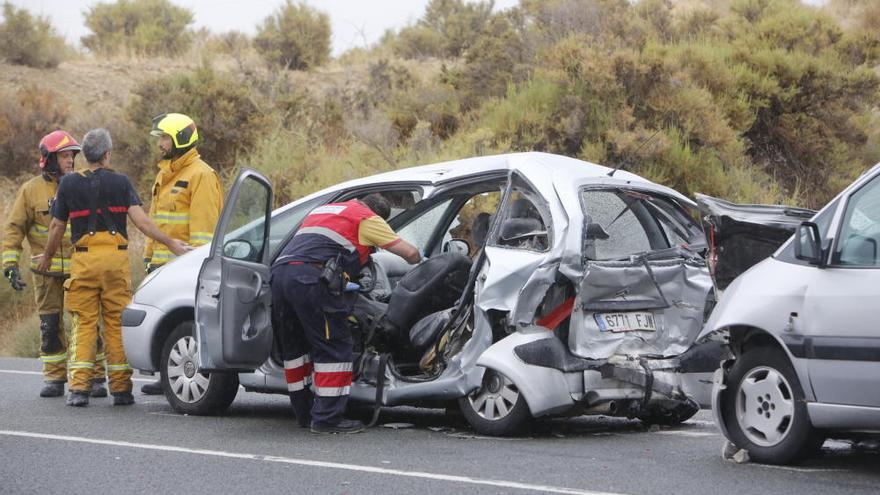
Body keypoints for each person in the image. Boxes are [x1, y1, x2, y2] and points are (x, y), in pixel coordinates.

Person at [38, 128, 190, 407]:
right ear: (107, 154)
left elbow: (58, 226)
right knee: (115, 324)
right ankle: (121, 390)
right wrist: (171, 243)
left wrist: (47, 257)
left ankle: (79, 390)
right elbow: (142, 222)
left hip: (84, 261)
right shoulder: (121, 183)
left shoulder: (69, 184)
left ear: (85, 155)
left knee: (84, 323)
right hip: (115, 261)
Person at [271, 193, 420, 433]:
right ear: (378, 214)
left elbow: (319, 248)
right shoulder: (368, 219)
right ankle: (327, 419)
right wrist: (425, 259)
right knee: (335, 347)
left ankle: (305, 414)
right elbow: (410, 254)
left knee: (296, 350)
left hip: (280, 276)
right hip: (311, 280)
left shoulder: (325, 209)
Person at [2, 130, 108, 398]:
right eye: (64, 156)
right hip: (45, 272)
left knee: (86, 322)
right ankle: (54, 378)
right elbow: (14, 228)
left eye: (72, 156)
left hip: (80, 268)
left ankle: (95, 376)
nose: (70, 161)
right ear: (48, 159)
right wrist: (10, 263)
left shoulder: (83, 183)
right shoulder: (30, 191)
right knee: (50, 324)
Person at [140, 112, 223, 396]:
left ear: (179, 139)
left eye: (164, 138)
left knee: (188, 325)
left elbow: (205, 231)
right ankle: (166, 376)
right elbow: (154, 219)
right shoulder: (164, 173)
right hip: (161, 267)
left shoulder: (201, 175)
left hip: (184, 268)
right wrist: (149, 256)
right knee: (165, 324)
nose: (160, 143)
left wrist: (196, 266)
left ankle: (195, 374)